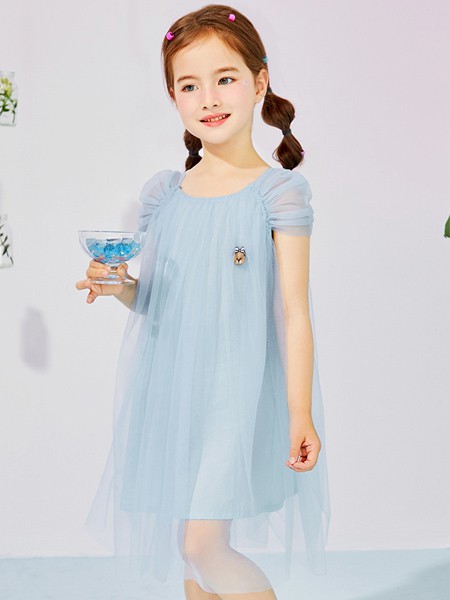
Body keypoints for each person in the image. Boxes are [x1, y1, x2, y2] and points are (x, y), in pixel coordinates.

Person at [76, 4, 330, 599]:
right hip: (173, 395)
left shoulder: (278, 193)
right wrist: (119, 286)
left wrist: (299, 412)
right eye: (189, 85)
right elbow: (160, 301)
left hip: (236, 397)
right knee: (188, 555)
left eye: (226, 78)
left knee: (203, 544)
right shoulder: (165, 194)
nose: (208, 98)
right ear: (173, 96)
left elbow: (294, 312)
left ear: (259, 82)